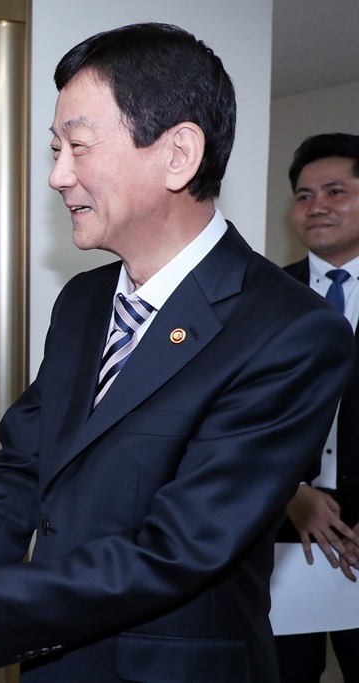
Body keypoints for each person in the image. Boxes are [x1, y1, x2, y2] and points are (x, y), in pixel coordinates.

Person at [0, 23, 356, 682]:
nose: (58, 175)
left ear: (177, 153)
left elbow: (181, 546)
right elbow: (22, 465)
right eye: (54, 147)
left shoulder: (291, 329)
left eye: (78, 146)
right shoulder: (84, 301)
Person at [272, 132, 359, 683]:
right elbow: (226, 419)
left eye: (335, 190)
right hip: (283, 520)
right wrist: (289, 491)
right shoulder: (262, 298)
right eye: (304, 195)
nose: (317, 206)